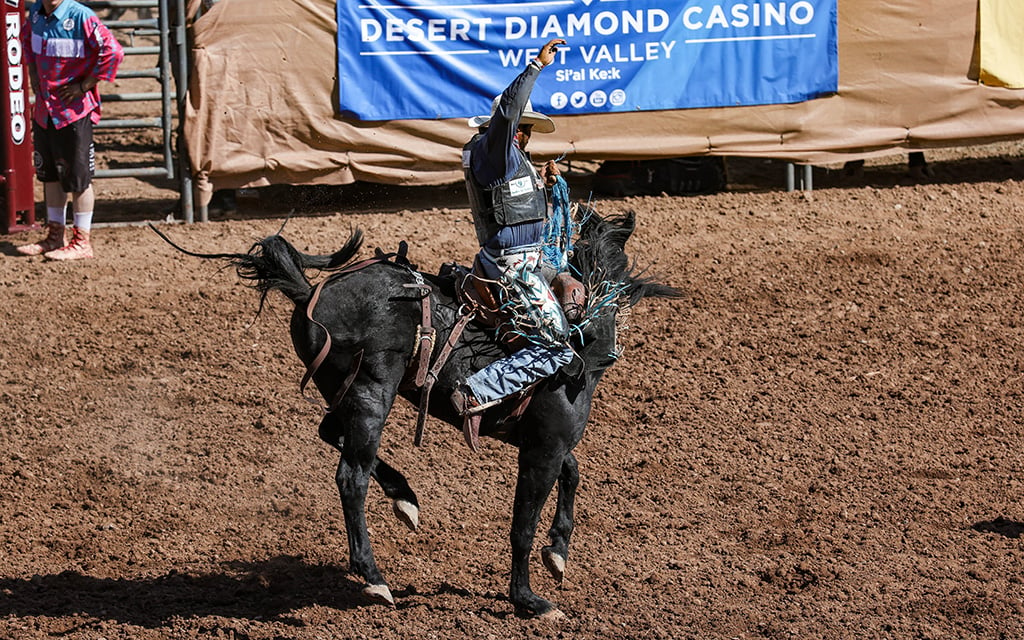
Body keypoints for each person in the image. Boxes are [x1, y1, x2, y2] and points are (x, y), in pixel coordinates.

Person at [451, 38, 575, 446]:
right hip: (511, 266)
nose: (524, 135)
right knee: (556, 346)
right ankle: (477, 390)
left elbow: (513, 202)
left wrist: (543, 185)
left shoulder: (508, 161)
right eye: (522, 129)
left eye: (525, 132)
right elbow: (507, 110)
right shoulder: (493, 150)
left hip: (526, 258)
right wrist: (537, 66)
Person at [16, 0, 124, 260]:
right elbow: (27, 39)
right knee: (50, 175)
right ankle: (55, 237)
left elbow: (113, 51)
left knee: (78, 179)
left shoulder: (81, 16)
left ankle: (82, 241)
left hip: (73, 112)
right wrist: (32, 72)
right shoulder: (37, 13)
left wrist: (85, 85)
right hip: (46, 110)